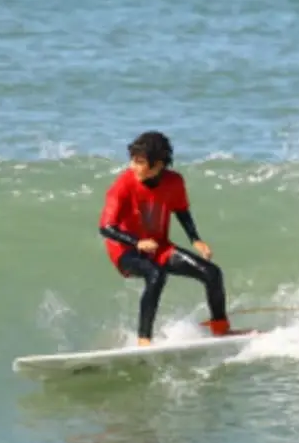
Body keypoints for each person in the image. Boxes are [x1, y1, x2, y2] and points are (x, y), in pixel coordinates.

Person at [99, 131, 231, 346]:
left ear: (158, 165)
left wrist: (195, 239)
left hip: (160, 248)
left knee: (212, 273)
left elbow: (181, 210)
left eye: (140, 162)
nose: (133, 166)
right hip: (125, 251)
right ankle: (144, 340)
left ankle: (221, 329)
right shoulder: (122, 185)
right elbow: (106, 227)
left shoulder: (174, 182)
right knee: (155, 274)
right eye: (132, 160)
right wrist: (136, 242)